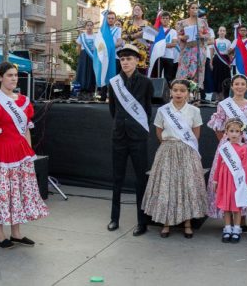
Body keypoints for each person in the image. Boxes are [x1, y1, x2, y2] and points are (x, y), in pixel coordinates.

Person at [0, 62, 48, 248]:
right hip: (0, 154)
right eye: (9, 75)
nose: (13, 78)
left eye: (15, 75)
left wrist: (30, 156)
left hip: (20, 154)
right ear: (0, 77)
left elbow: (25, 131)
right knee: (0, 195)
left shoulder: (24, 101)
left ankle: (16, 233)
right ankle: (0, 235)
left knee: (17, 194)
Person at [142, 79, 207, 239]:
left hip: (187, 151)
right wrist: (169, 145)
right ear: (170, 91)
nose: (178, 93)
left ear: (188, 93)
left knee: (187, 185)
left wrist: (185, 146)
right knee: (167, 185)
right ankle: (166, 223)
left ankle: (187, 223)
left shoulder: (194, 111)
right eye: (175, 90)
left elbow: (196, 134)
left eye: (182, 90)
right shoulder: (163, 110)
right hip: (167, 150)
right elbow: (159, 132)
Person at [106, 44, 155, 236]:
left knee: (140, 179)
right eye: (123, 59)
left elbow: (148, 110)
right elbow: (112, 110)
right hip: (119, 136)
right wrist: (122, 124)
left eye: (129, 59)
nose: (125, 62)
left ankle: (142, 222)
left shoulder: (146, 83)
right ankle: (114, 218)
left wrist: (136, 127)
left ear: (137, 60)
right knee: (117, 178)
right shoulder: (114, 83)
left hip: (138, 137)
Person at [207, 75, 247, 228]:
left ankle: (242, 219)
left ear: (246, 87)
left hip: (246, 147)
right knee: (227, 181)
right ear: (232, 86)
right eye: (236, 84)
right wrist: (226, 143)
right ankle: (228, 218)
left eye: (242, 84)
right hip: (228, 147)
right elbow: (218, 127)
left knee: (243, 180)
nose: (239, 87)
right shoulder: (224, 104)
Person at [210, 117, 247, 243]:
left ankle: (237, 229)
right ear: (226, 133)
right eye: (231, 131)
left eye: (237, 131)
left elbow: (245, 167)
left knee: (236, 206)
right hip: (224, 179)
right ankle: (227, 228)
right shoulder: (224, 147)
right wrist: (215, 180)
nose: (234, 134)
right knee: (226, 206)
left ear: (241, 133)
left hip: (236, 181)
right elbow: (218, 165)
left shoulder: (244, 147)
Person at [176, 3, 208, 82]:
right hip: (186, 50)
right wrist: (183, 37)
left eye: (196, 8)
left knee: (197, 73)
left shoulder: (202, 22)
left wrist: (202, 36)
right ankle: (183, 89)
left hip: (199, 50)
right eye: (192, 8)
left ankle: (196, 91)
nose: (195, 10)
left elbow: (208, 35)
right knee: (184, 73)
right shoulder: (182, 23)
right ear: (188, 10)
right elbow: (177, 36)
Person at [123, 4, 152, 72]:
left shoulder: (147, 24)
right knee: (130, 75)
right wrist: (135, 36)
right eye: (135, 10)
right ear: (133, 12)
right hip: (130, 52)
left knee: (142, 76)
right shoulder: (128, 23)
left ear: (142, 12)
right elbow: (123, 36)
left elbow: (151, 40)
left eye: (139, 10)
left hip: (143, 54)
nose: (137, 11)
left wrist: (146, 37)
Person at [74, 21, 98, 100]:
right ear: (85, 27)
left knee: (91, 73)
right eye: (88, 25)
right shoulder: (82, 36)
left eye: (91, 25)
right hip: (83, 56)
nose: (89, 27)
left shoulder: (96, 36)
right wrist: (79, 57)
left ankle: (90, 92)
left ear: (93, 27)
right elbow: (78, 47)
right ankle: (80, 91)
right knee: (81, 72)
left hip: (92, 56)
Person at [155, 12, 180, 82]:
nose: (165, 20)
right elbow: (153, 43)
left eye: (167, 18)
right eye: (163, 18)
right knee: (157, 76)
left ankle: (167, 91)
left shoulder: (173, 31)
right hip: (158, 56)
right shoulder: (156, 30)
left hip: (169, 57)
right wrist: (167, 45)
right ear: (160, 19)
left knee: (168, 78)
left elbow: (174, 44)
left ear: (169, 20)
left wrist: (160, 45)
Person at [210, 26, 234, 99]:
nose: (222, 32)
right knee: (216, 78)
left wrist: (230, 63)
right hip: (217, 60)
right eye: (220, 30)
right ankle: (218, 96)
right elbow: (211, 52)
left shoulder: (228, 42)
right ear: (218, 32)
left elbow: (230, 54)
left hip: (225, 60)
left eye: (223, 30)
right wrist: (211, 62)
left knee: (226, 78)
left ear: (225, 32)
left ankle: (225, 96)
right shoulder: (214, 41)